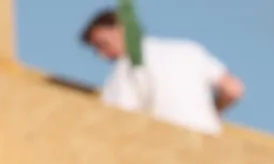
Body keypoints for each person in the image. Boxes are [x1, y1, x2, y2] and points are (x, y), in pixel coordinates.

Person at [80, 9, 244, 135]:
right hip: (211, 146)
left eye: (103, 44)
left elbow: (115, 118)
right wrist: (215, 112)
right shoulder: (188, 50)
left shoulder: (128, 65)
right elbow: (233, 89)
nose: (102, 55)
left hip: (169, 149)